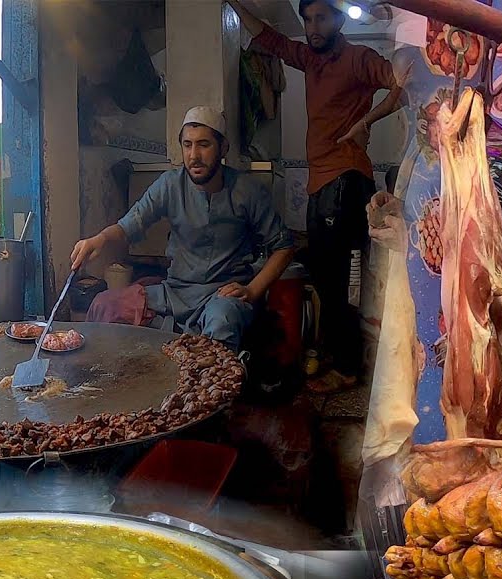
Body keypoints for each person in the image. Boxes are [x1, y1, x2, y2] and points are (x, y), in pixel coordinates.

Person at [229, 0, 403, 393]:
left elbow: (403, 84)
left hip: (346, 180)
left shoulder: (358, 58)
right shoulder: (310, 59)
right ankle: (339, 356)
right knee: (326, 279)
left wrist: (366, 121)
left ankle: (347, 368)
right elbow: (270, 39)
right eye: (307, 19)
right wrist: (234, 4)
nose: (313, 27)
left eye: (321, 18)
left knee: (343, 281)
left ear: (339, 19)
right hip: (321, 184)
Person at [71, 107, 293, 352]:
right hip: (175, 292)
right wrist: (99, 239)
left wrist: (252, 290)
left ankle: (208, 375)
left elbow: (283, 247)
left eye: (204, 145)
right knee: (105, 304)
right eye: (187, 145)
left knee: (222, 322)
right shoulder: (170, 184)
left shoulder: (247, 191)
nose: (194, 155)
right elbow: (129, 225)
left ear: (223, 148)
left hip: (221, 295)